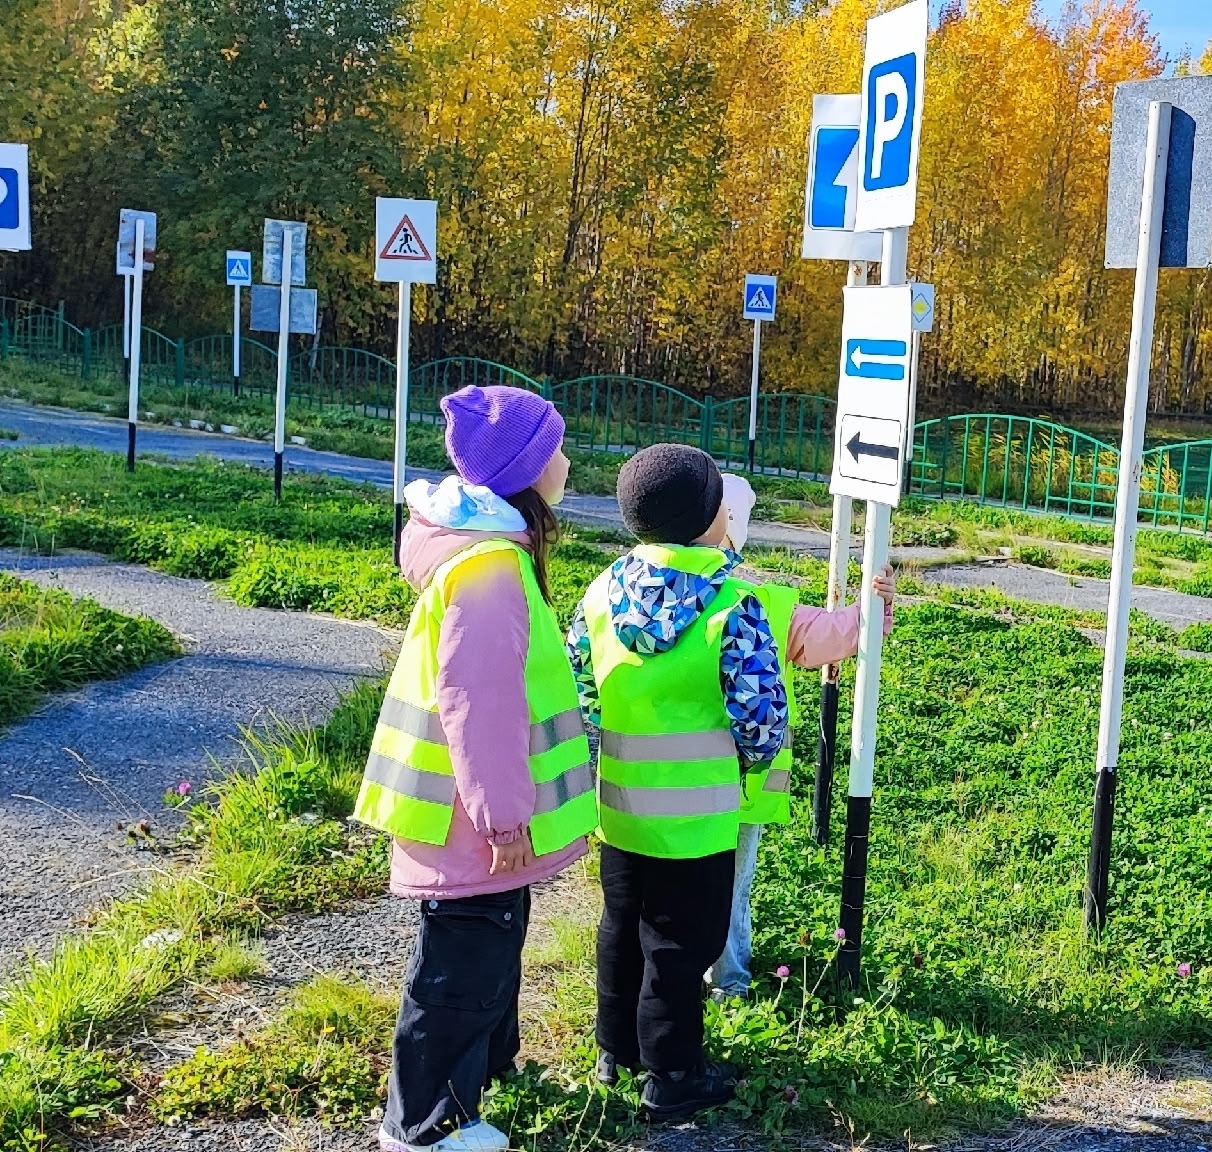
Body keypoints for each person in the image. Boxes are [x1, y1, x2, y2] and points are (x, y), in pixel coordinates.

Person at [563, 445, 890, 1119]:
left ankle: (613, 1054)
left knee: (621, 929)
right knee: (683, 946)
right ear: (714, 516)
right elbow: (759, 714)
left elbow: (584, 695)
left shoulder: (600, 592)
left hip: (621, 808)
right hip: (702, 813)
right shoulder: (734, 602)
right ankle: (673, 1073)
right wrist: (751, 759)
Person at [355, 385, 596, 1152]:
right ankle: (424, 1125)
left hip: (465, 818)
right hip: (475, 822)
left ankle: (481, 1080)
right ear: (525, 470)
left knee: (484, 951)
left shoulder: (488, 555)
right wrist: (504, 814)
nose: (566, 460)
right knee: (459, 972)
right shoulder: (491, 571)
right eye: (555, 448)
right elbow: (479, 702)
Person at [706, 473, 892, 998]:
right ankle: (729, 983)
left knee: (665, 891)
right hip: (740, 787)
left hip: (653, 788)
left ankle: (662, 979)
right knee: (730, 887)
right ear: (735, 530)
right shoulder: (765, 601)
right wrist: (872, 607)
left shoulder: (635, 587)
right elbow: (836, 636)